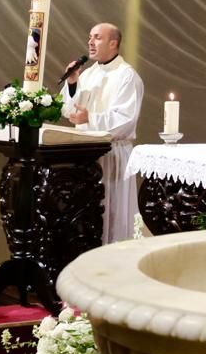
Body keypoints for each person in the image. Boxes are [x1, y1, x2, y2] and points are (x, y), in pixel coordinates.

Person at [60, 23, 144, 245]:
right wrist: (72, 83)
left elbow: (125, 120)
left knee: (112, 213)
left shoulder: (127, 76)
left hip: (112, 155)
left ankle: (113, 265)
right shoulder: (87, 74)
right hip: (85, 154)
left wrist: (91, 119)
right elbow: (68, 110)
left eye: (97, 37)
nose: (90, 42)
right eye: (90, 37)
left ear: (113, 43)